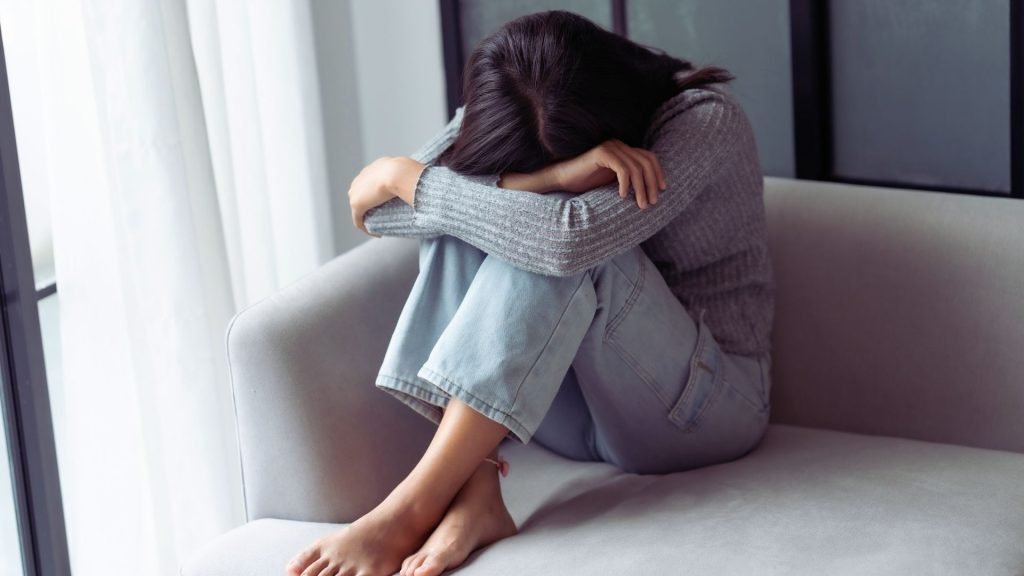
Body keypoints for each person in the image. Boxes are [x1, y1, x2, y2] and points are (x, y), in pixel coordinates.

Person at [286, 9, 774, 576]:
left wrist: (407, 174)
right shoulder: (509, 102)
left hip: (704, 408)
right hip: (566, 409)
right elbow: (380, 212)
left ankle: (411, 506)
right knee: (471, 216)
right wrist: (548, 180)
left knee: (544, 232)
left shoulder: (703, 122)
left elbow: (568, 243)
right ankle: (476, 493)